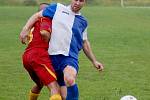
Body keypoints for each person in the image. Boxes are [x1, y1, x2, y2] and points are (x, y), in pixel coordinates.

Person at [20, 0, 104, 100]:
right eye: (75, 0)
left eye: (80, 1)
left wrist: (94, 61)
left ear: (84, 2)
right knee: (63, 96)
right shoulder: (57, 8)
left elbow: (84, 42)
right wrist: (25, 28)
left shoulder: (83, 21)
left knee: (69, 79)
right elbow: (37, 16)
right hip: (51, 58)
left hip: (69, 58)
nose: (77, 3)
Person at [19, 3, 62, 100]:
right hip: (38, 56)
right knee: (54, 88)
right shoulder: (45, 18)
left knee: (39, 84)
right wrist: (49, 39)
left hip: (26, 56)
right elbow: (43, 32)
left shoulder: (33, 23)